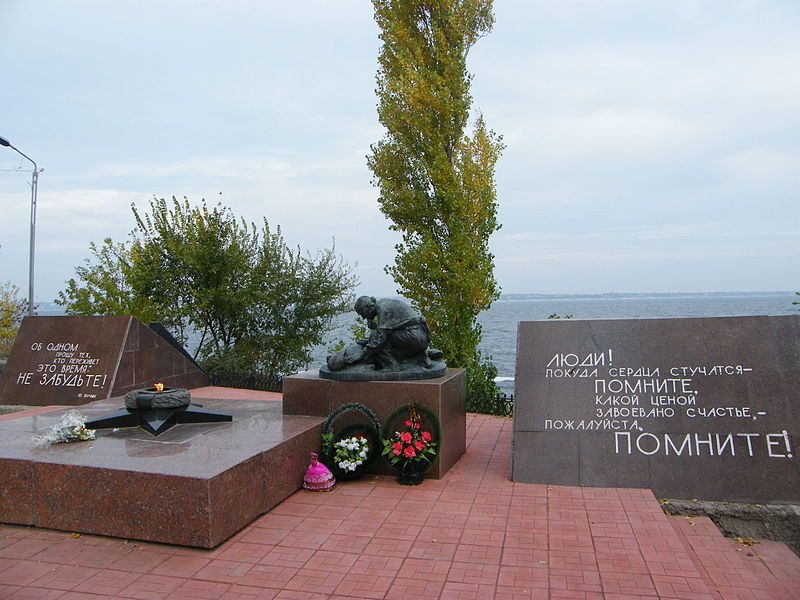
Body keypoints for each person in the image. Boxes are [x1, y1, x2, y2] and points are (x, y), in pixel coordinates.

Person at [326, 296, 440, 372]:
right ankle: (421, 356)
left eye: (362, 313)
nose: (363, 317)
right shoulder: (383, 304)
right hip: (419, 337)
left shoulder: (383, 310)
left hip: (415, 338)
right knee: (379, 338)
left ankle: (392, 366)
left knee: (380, 340)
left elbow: (380, 338)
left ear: (368, 308)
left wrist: (363, 352)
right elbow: (393, 326)